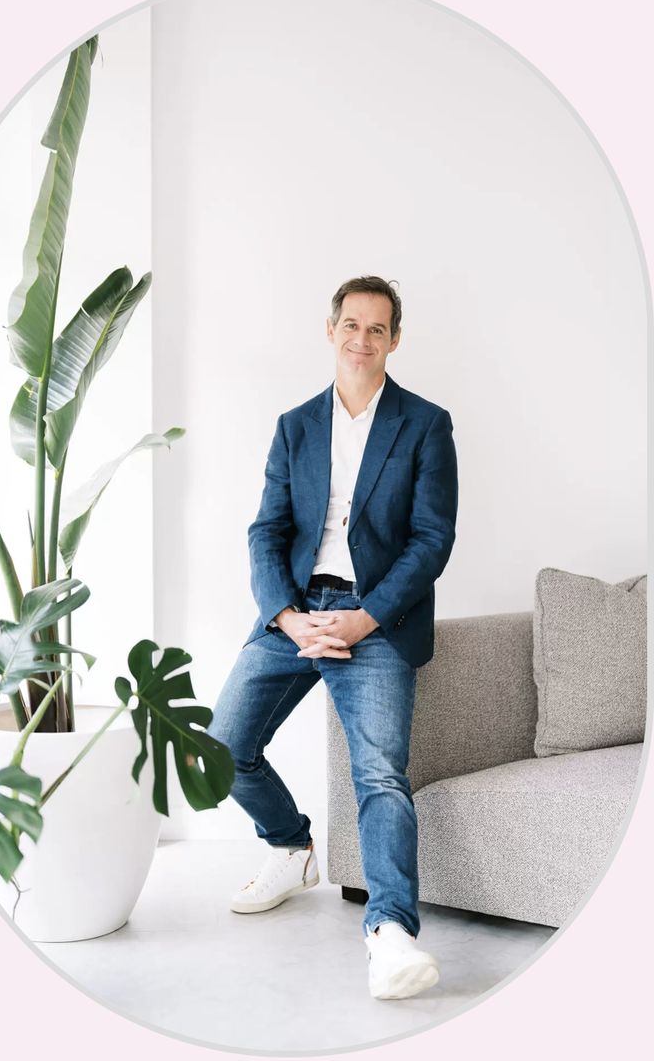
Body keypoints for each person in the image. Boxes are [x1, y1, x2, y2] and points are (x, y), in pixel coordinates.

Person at [207, 275, 459, 1000]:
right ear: (331, 330)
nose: (362, 339)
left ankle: (391, 933)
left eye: (377, 329)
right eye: (351, 324)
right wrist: (286, 616)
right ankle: (290, 845)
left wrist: (367, 615)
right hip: (296, 612)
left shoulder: (426, 423)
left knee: (379, 773)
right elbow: (267, 530)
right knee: (223, 744)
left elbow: (432, 537)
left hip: (377, 618)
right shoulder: (296, 425)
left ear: (395, 339)